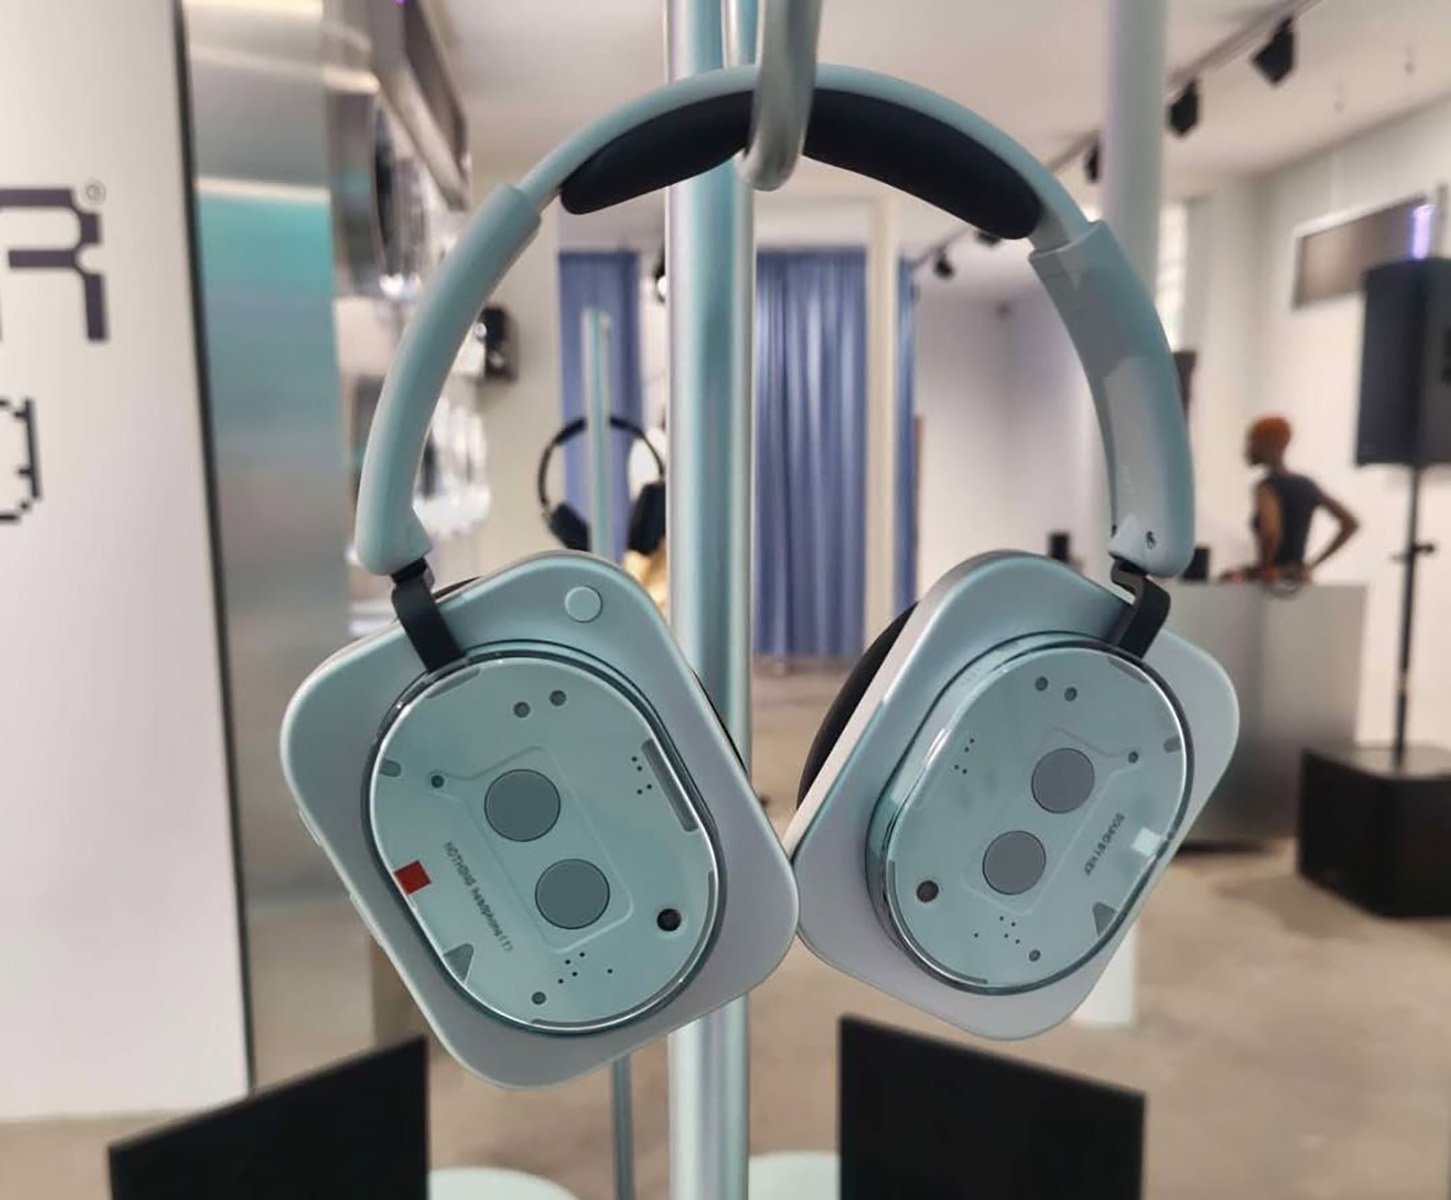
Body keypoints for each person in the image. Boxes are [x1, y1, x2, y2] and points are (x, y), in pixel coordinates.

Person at [1222, 415, 1360, 584]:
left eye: (1252, 441)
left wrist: (1263, 568)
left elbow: (1271, 533)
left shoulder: (1266, 487)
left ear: (1267, 444)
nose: (1247, 448)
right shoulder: (1307, 485)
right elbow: (1350, 523)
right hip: (1298, 578)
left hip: (1274, 579)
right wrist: (1311, 566)